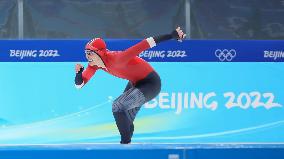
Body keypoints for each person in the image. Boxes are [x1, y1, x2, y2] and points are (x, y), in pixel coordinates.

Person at [74, 27, 186, 144]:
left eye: (90, 53)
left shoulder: (118, 58)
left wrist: (171, 35)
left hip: (151, 83)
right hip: (135, 82)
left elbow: (145, 44)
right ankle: (128, 146)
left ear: (100, 52)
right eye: (86, 53)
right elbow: (79, 85)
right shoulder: (94, 65)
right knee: (126, 119)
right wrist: (78, 73)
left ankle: (125, 145)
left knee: (118, 106)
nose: (87, 56)